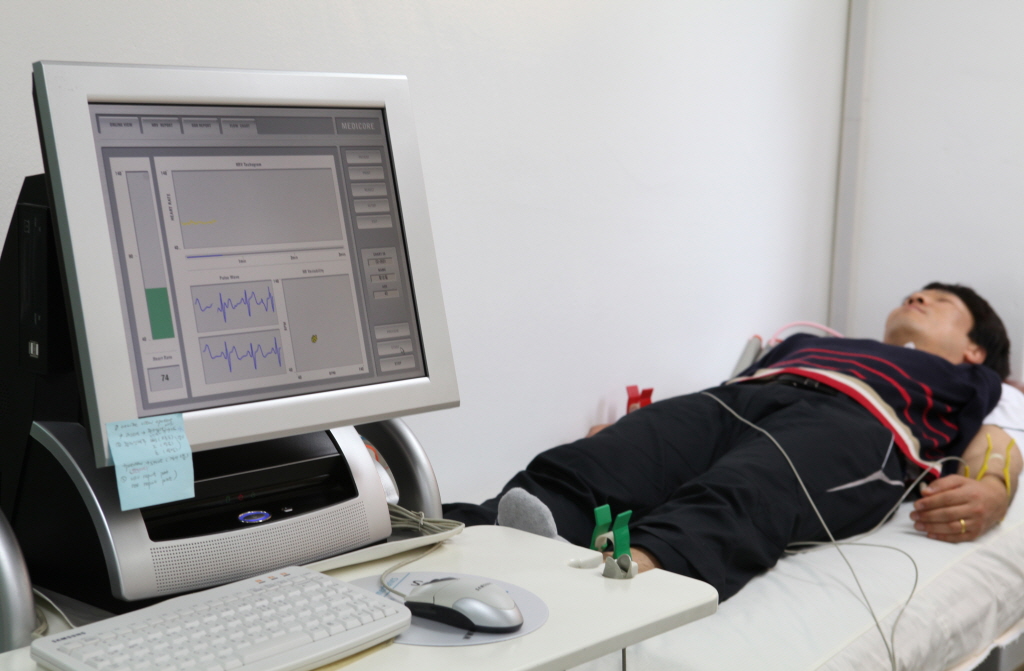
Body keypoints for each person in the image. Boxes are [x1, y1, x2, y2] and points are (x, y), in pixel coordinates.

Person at [443, 282, 1023, 601]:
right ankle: (469, 543)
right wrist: (634, 430)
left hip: (861, 422)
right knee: (594, 464)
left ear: (975, 348)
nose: (917, 297)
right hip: (736, 399)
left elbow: (999, 441)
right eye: (915, 293)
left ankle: (623, 581)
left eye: (941, 302)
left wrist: (994, 488)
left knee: (749, 488)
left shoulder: (982, 383)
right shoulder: (807, 342)